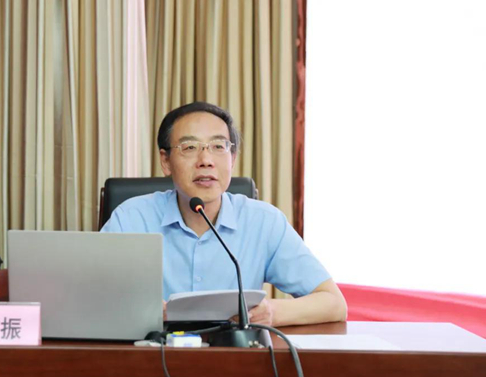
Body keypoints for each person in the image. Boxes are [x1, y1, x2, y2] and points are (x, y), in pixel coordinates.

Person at [102, 102, 347, 327]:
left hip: (235, 355)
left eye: (218, 147)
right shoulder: (131, 219)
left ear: (233, 159)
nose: (206, 160)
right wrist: (139, 310)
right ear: (166, 161)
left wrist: (271, 312)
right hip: (152, 353)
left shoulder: (263, 222)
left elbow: (334, 303)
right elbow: (91, 298)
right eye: (189, 147)